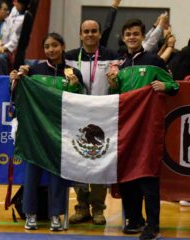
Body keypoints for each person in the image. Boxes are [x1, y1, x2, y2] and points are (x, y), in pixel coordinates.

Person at [107, 18, 179, 240]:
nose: (131, 37)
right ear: (123, 37)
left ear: (142, 36)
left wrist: (164, 85)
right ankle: (134, 219)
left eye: (136, 34)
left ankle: (153, 225)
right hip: (126, 128)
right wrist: (112, 84)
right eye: (127, 34)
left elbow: (174, 86)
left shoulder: (154, 61)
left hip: (148, 128)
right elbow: (116, 97)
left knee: (147, 175)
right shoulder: (120, 65)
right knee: (128, 173)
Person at [10, 32, 83, 231]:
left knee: (57, 175)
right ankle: (30, 214)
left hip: (61, 131)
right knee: (32, 173)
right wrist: (16, 80)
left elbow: (81, 103)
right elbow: (18, 97)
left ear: (63, 46)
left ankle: (55, 216)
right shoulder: (33, 70)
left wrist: (76, 87)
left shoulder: (73, 72)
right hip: (35, 131)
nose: (51, 50)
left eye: (55, 45)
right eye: (47, 46)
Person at [65, 18, 119, 225]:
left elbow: (116, 83)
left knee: (99, 163)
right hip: (76, 116)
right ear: (80, 34)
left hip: (103, 115)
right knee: (77, 162)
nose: (90, 34)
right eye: (86, 31)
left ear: (99, 34)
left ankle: (98, 208)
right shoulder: (69, 57)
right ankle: (81, 207)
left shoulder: (112, 56)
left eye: (94, 31)